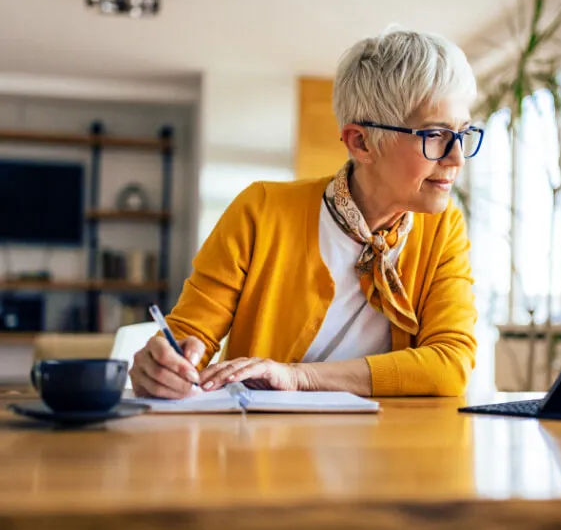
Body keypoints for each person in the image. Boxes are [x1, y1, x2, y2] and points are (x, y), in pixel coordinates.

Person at [130, 29, 484, 399]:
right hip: (264, 450)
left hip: (388, 450)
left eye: (464, 133)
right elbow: (190, 340)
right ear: (361, 142)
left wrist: (300, 377)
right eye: (435, 135)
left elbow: (450, 364)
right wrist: (164, 367)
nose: (457, 157)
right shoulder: (261, 211)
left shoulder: (444, 228)